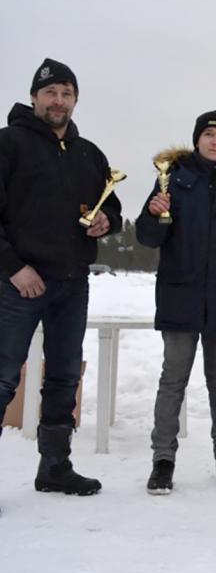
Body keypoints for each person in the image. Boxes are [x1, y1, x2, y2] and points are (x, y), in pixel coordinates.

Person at [0, 58, 121, 499]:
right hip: (17, 284)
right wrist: (14, 268)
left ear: (75, 101)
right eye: (50, 92)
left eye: (67, 93)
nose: (58, 101)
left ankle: (55, 467)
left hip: (71, 285)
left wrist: (105, 221)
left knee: (64, 377)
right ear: (34, 97)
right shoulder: (8, 144)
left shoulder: (89, 153)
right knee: (3, 378)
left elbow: (114, 207)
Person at [136, 111, 216, 494]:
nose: (215, 141)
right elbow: (148, 238)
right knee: (173, 380)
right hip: (181, 294)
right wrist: (154, 213)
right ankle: (163, 461)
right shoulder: (173, 180)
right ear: (197, 140)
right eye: (208, 134)